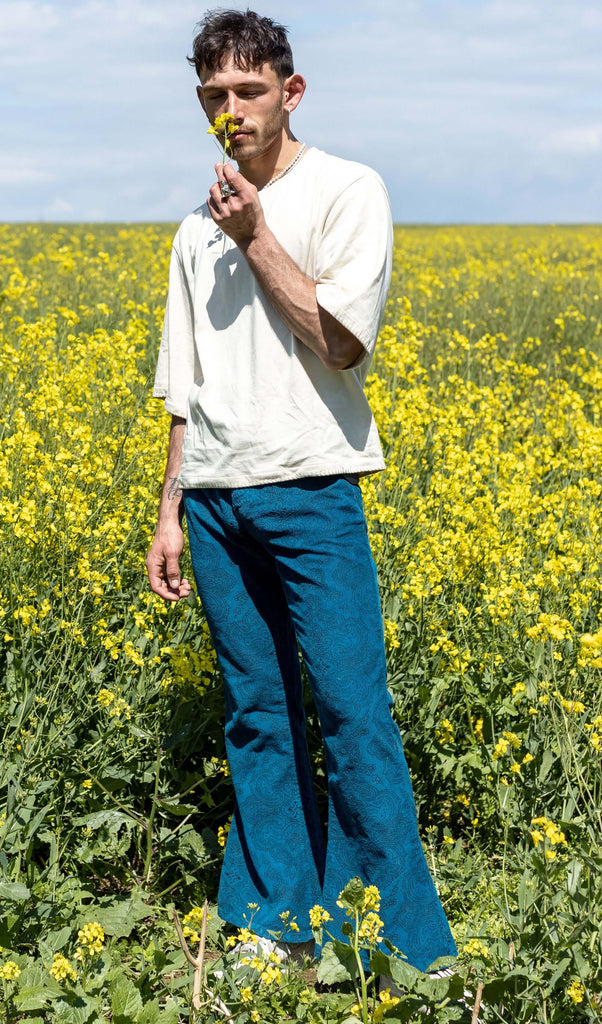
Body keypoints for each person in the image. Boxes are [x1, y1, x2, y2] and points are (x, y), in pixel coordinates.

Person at [147, 8, 456, 974]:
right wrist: (169, 505)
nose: (230, 113)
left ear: (291, 90)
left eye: (246, 92)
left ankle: (396, 941)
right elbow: (184, 382)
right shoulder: (193, 230)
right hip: (215, 503)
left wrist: (255, 237)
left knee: (352, 713)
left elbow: (341, 342)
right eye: (213, 99)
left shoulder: (347, 191)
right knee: (257, 715)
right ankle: (276, 924)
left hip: (312, 492)